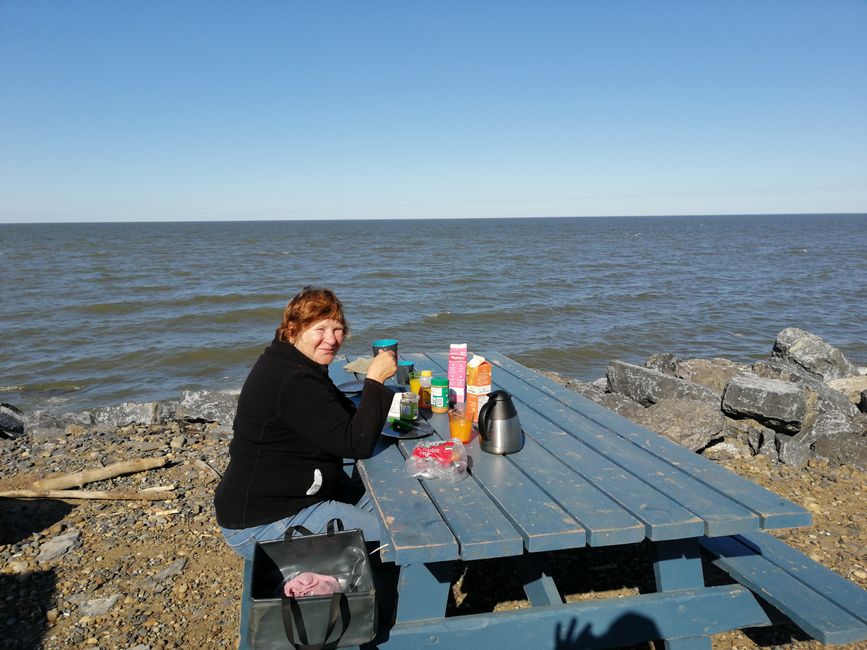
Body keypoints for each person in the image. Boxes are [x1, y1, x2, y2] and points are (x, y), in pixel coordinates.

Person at [214, 287, 397, 560]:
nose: (331, 340)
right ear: (292, 330)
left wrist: (374, 394)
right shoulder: (292, 380)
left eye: (337, 329)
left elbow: (342, 415)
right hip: (263, 522)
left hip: (295, 495)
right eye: (320, 330)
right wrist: (374, 382)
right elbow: (356, 444)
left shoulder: (292, 363)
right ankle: (393, 593)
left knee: (393, 502)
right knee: (399, 537)